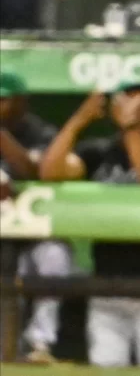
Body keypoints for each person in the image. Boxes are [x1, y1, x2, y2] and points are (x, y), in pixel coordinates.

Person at [39, 82, 140, 368]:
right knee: (106, 366)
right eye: (128, 103)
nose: (135, 111)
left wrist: (130, 128)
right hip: (106, 281)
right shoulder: (98, 151)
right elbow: (50, 171)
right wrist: (80, 119)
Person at [0, 71, 71, 363]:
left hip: (35, 236)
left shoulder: (41, 132)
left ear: (21, 103)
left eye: (3, 99)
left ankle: (40, 344)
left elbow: (33, 170)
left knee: (55, 256)